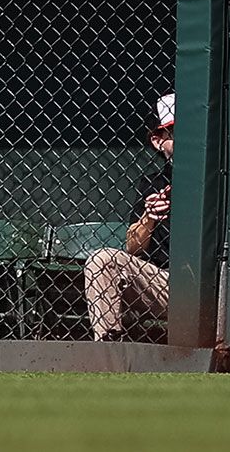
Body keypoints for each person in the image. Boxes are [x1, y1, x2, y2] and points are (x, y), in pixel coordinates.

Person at [84, 94, 176, 340]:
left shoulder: (223, 176)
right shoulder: (153, 184)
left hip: (217, 284)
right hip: (167, 281)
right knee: (101, 260)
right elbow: (133, 247)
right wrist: (149, 218)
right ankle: (109, 348)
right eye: (176, 132)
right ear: (158, 141)